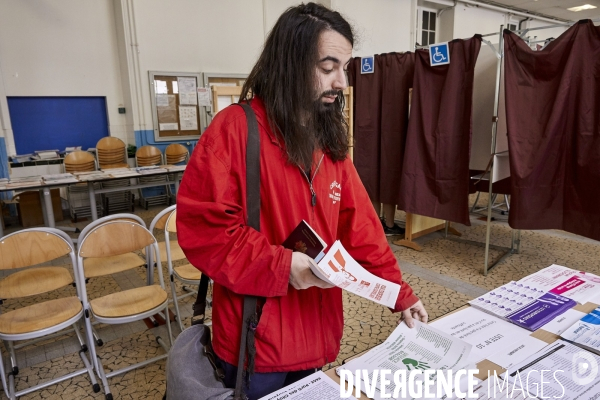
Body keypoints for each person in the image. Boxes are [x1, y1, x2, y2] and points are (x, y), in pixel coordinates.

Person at [177, 3, 428, 399]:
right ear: (291, 63)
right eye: (328, 67)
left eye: (344, 68)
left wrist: (400, 294)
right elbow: (205, 232)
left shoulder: (329, 142)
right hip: (256, 339)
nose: (340, 81)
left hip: (316, 329)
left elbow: (361, 227)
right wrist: (281, 264)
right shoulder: (235, 131)